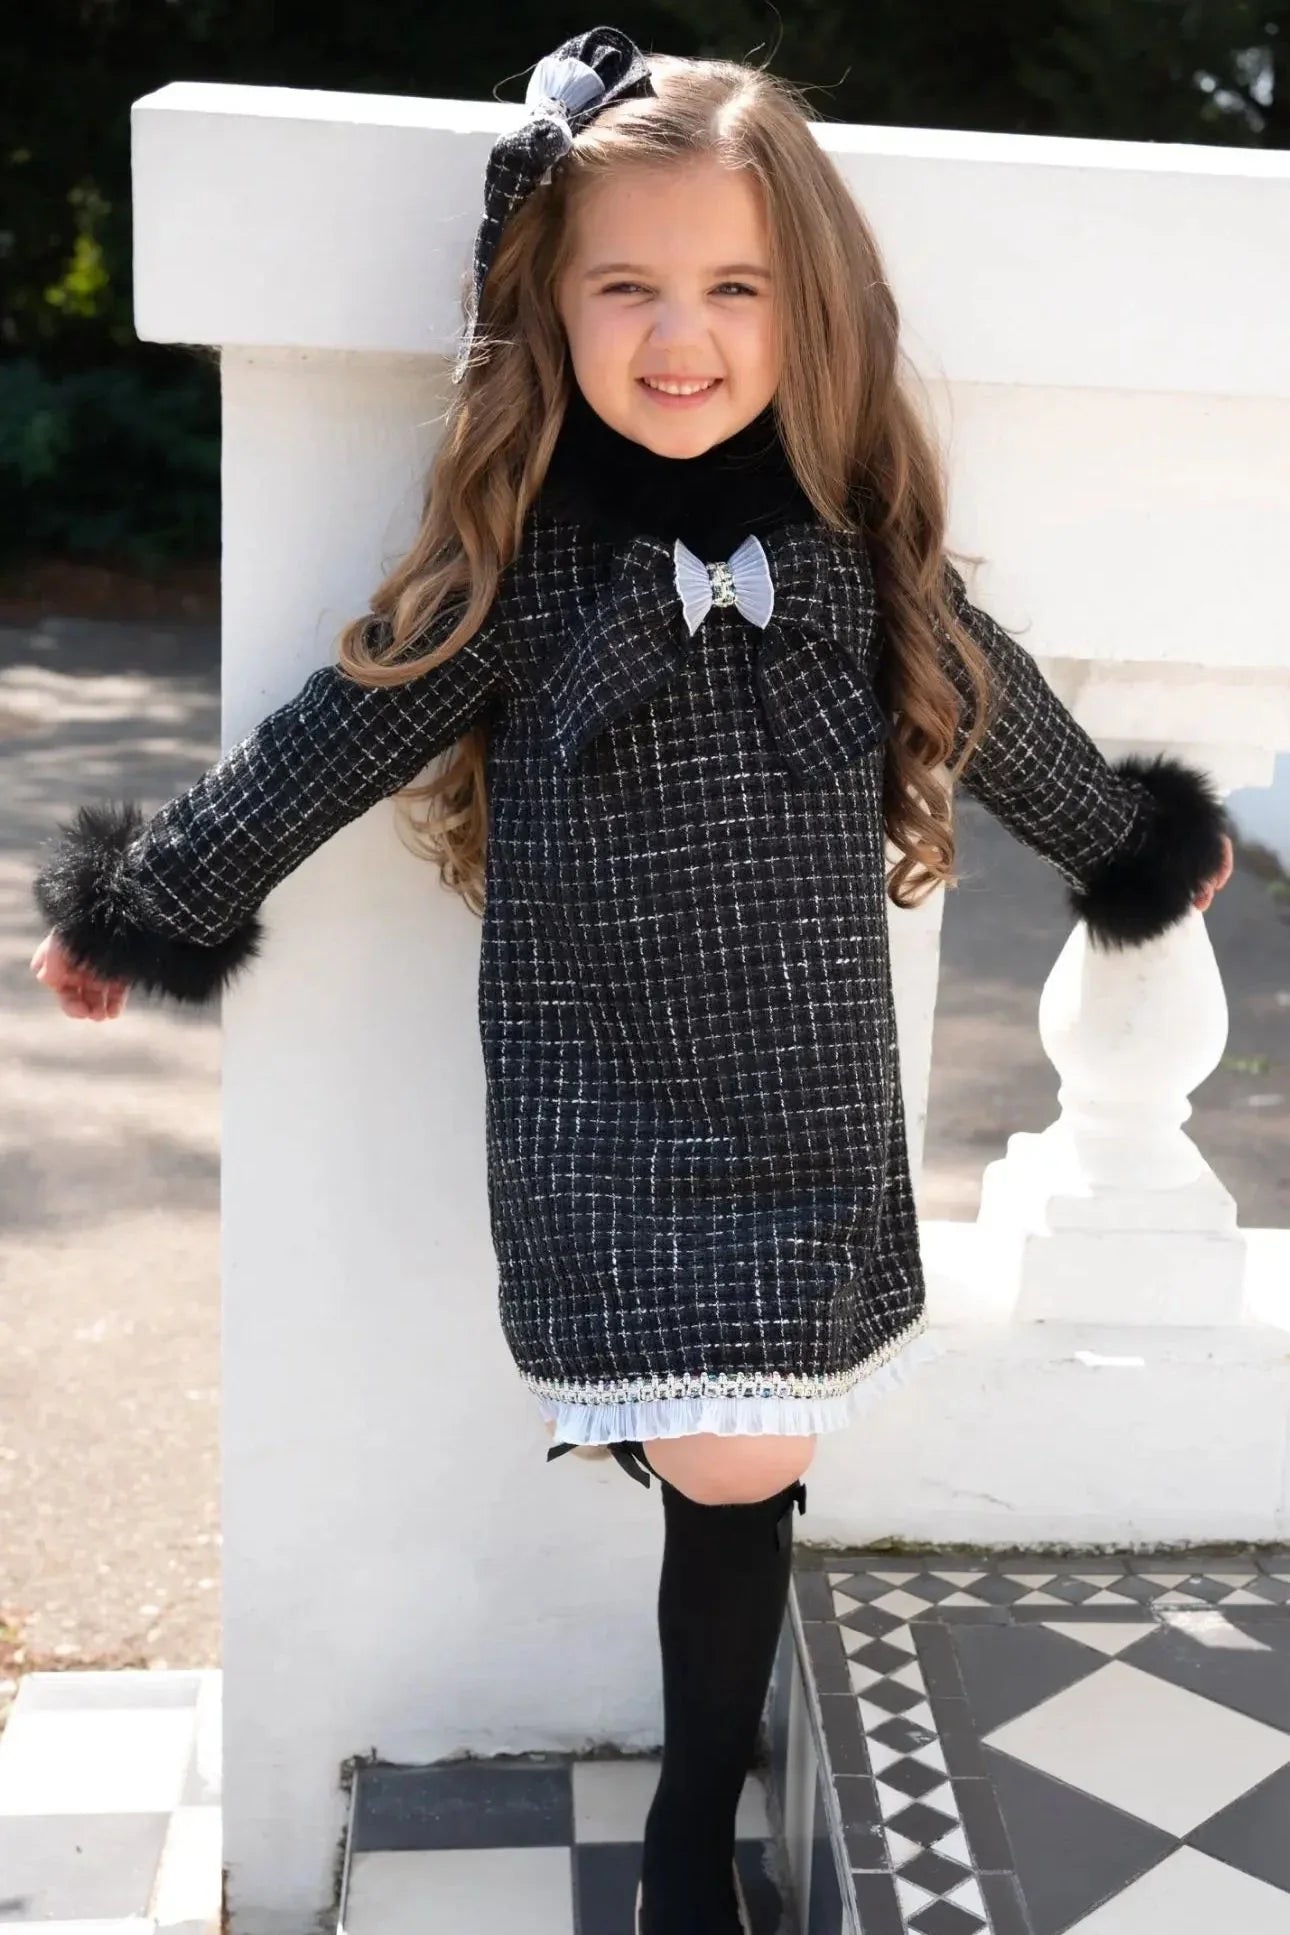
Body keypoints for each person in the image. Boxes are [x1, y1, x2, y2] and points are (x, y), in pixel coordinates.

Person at [28, 27, 1233, 1935]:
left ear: (804, 310)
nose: (682, 336)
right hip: (603, 1084)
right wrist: (147, 901)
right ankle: (695, 1795)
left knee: (737, 1456)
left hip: (804, 1093)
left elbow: (999, 712)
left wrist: (1125, 846)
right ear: (553, 303)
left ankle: (694, 1815)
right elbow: (330, 739)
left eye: (732, 287)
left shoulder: (853, 562)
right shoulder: (522, 567)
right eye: (629, 287)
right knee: (727, 1449)